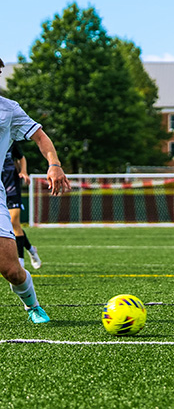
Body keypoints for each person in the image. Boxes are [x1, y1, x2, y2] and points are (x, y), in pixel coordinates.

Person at [0, 57, 71, 323]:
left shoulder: (8, 110)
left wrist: (54, 164)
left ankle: (32, 306)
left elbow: (40, 137)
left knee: (11, 269)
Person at [3, 142, 41, 269]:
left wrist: (23, 171)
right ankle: (31, 250)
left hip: (11, 186)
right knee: (8, 226)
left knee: (14, 222)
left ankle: (20, 264)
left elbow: (21, 157)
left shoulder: (9, 141)